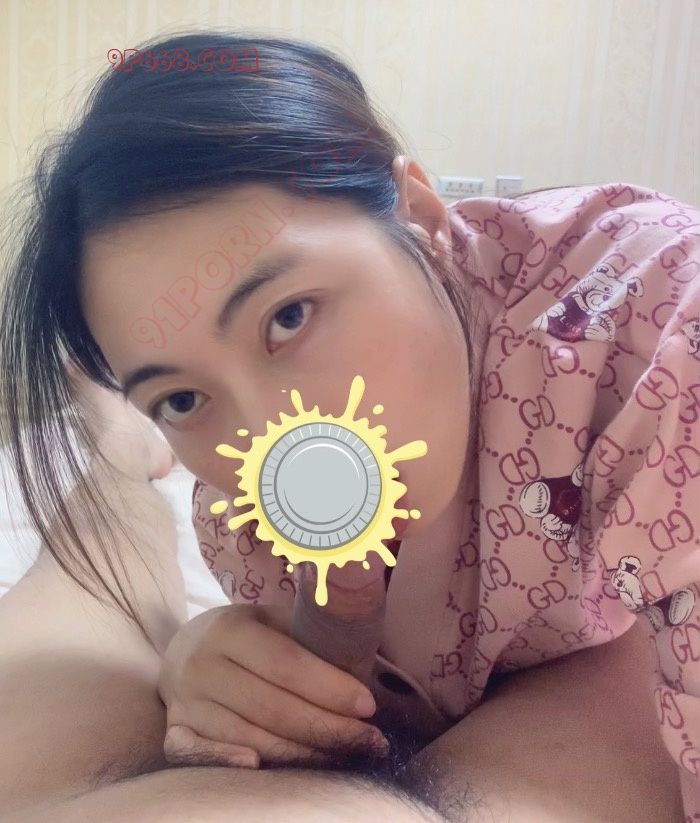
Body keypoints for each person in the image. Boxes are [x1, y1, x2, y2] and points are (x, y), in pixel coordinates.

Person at [0, 29, 695, 821]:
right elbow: (353, 708)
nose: (273, 440)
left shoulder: (652, 330)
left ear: (420, 215)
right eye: (183, 398)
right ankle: (115, 433)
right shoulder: (241, 509)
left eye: (289, 317)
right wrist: (241, 659)